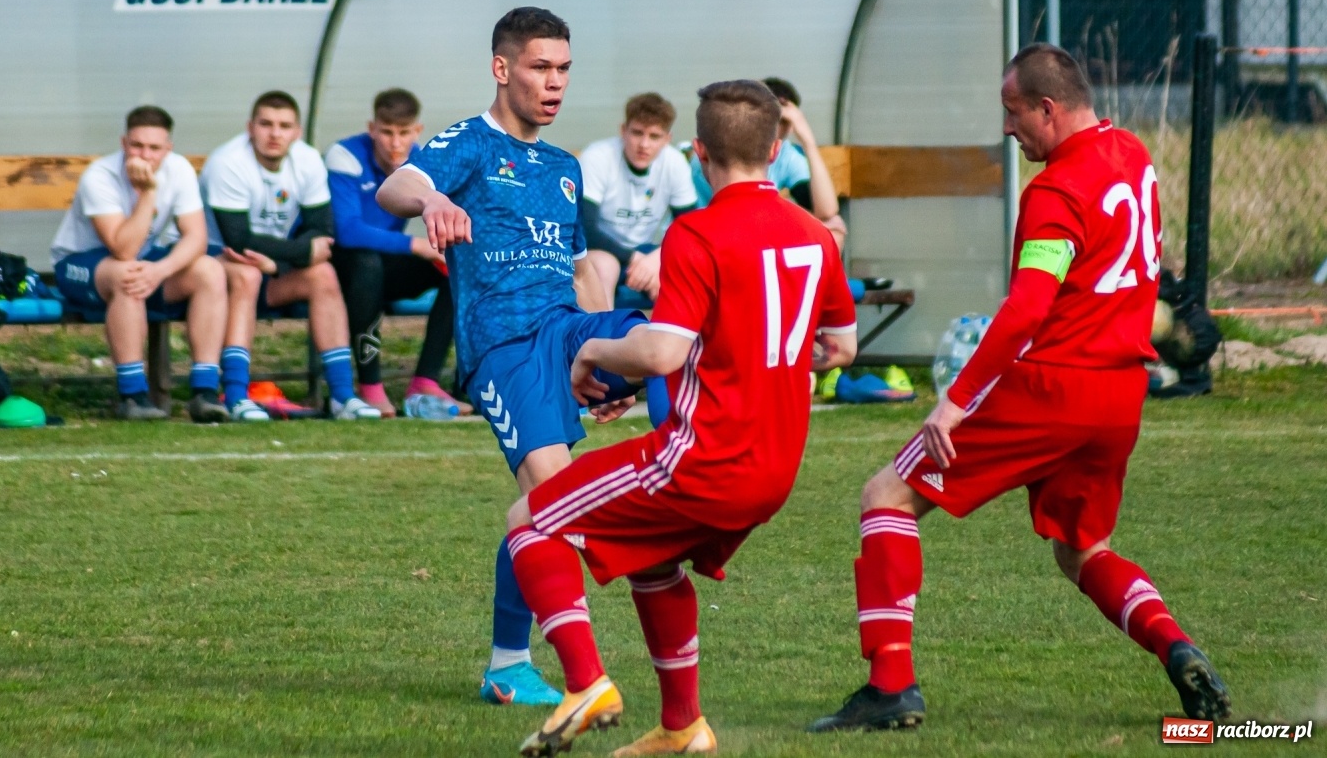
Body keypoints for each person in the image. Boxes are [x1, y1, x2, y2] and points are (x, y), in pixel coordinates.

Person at [809, 45, 1231, 732]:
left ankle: (890, 688)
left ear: (1048, 108)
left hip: (1053, 388)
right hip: (1121, 396)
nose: (1008, 129)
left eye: (1013, 112)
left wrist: (953, 399)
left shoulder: (1056, 191)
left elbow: (1028, 309)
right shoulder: (1131, 154)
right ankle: (1174, 644)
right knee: (1082, 547)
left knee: (886, 493)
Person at [507, 79, 858, 757]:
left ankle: (585, 682)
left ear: (699, 153)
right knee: (654, 559)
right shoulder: (818, 235)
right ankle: (682, 727)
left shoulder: (697, 230)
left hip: (704, 457)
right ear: (776, 147)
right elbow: (840, 344)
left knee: (531, 519)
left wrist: (590, 348)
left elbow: (663, 349)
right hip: (776, 468)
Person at [377, 6, 670, 707]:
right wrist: (435, 199)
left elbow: (576, 270)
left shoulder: (564, 167)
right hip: (506, 348)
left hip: (565, 328)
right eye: (541, 66)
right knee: (554, 506)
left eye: (564, 68)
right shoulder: (470, 143)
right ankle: (521, 665)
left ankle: (674, 474)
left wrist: (604, 353)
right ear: (502, 68)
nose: (555, 82)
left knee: (662, 346)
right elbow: (395, 187)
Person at [203, 91, 382, 421]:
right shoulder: (227, 162)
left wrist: (280, 263)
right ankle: (237, 396)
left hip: (271, 269)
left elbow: (321, 229)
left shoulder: (307, 159)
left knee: (323, 274)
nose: (274, 134)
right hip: (215, 270)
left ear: (296, 132)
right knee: (247, 273)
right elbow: (237, 240)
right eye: (266, 124)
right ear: (250, 128)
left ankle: (343, 397)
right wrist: (293, 255)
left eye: (284, 126)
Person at [51, 105, 228, 422]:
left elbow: (196, 238)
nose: (145, 155)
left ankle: (204, 392)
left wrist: (162, 270)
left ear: (168, 149)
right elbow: (123, 248)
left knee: (210, 271)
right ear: (123, 143)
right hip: (78, 264)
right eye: (137, 145)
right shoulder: (100, 175)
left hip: (142, 261)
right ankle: (133, 395)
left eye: (155, 148)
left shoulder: (180, 168)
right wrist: (148, 194)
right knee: (127, 274)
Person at [325, 88, 463, 417]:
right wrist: (417, 245)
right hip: (343, 266)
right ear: (372, 129)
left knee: (457, 268)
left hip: (385, 264)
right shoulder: (344, 155)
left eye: (404, 133)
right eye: (386, 132)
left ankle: (426, 381)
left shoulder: (421, 160)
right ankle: (370, 387)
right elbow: (348, 231)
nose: (395, 143)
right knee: (367, 264)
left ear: (417, 131)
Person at [691, 76, 846, 246]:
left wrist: (809, 142)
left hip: (756, 228)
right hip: (709, 234)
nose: (776, 128)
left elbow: (827, 211)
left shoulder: (786, 154)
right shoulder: (721, 148)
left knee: (833, 227)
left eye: (785, 122)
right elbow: (738, 212)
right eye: (773, 120)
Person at [579, 92, 697, 306]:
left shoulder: (675, 162)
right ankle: (602, 335)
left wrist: (659, 257)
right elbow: (584, 229)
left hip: (646, 251)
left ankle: (668, 337)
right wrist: (635, 259)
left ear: (667, 139)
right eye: (637, 133)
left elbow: (690, 227)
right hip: (602, 250)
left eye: (654, 136)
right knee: (606, 266)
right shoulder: (597, 157)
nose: (644, 144)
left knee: (681, 267)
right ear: (623, 130)